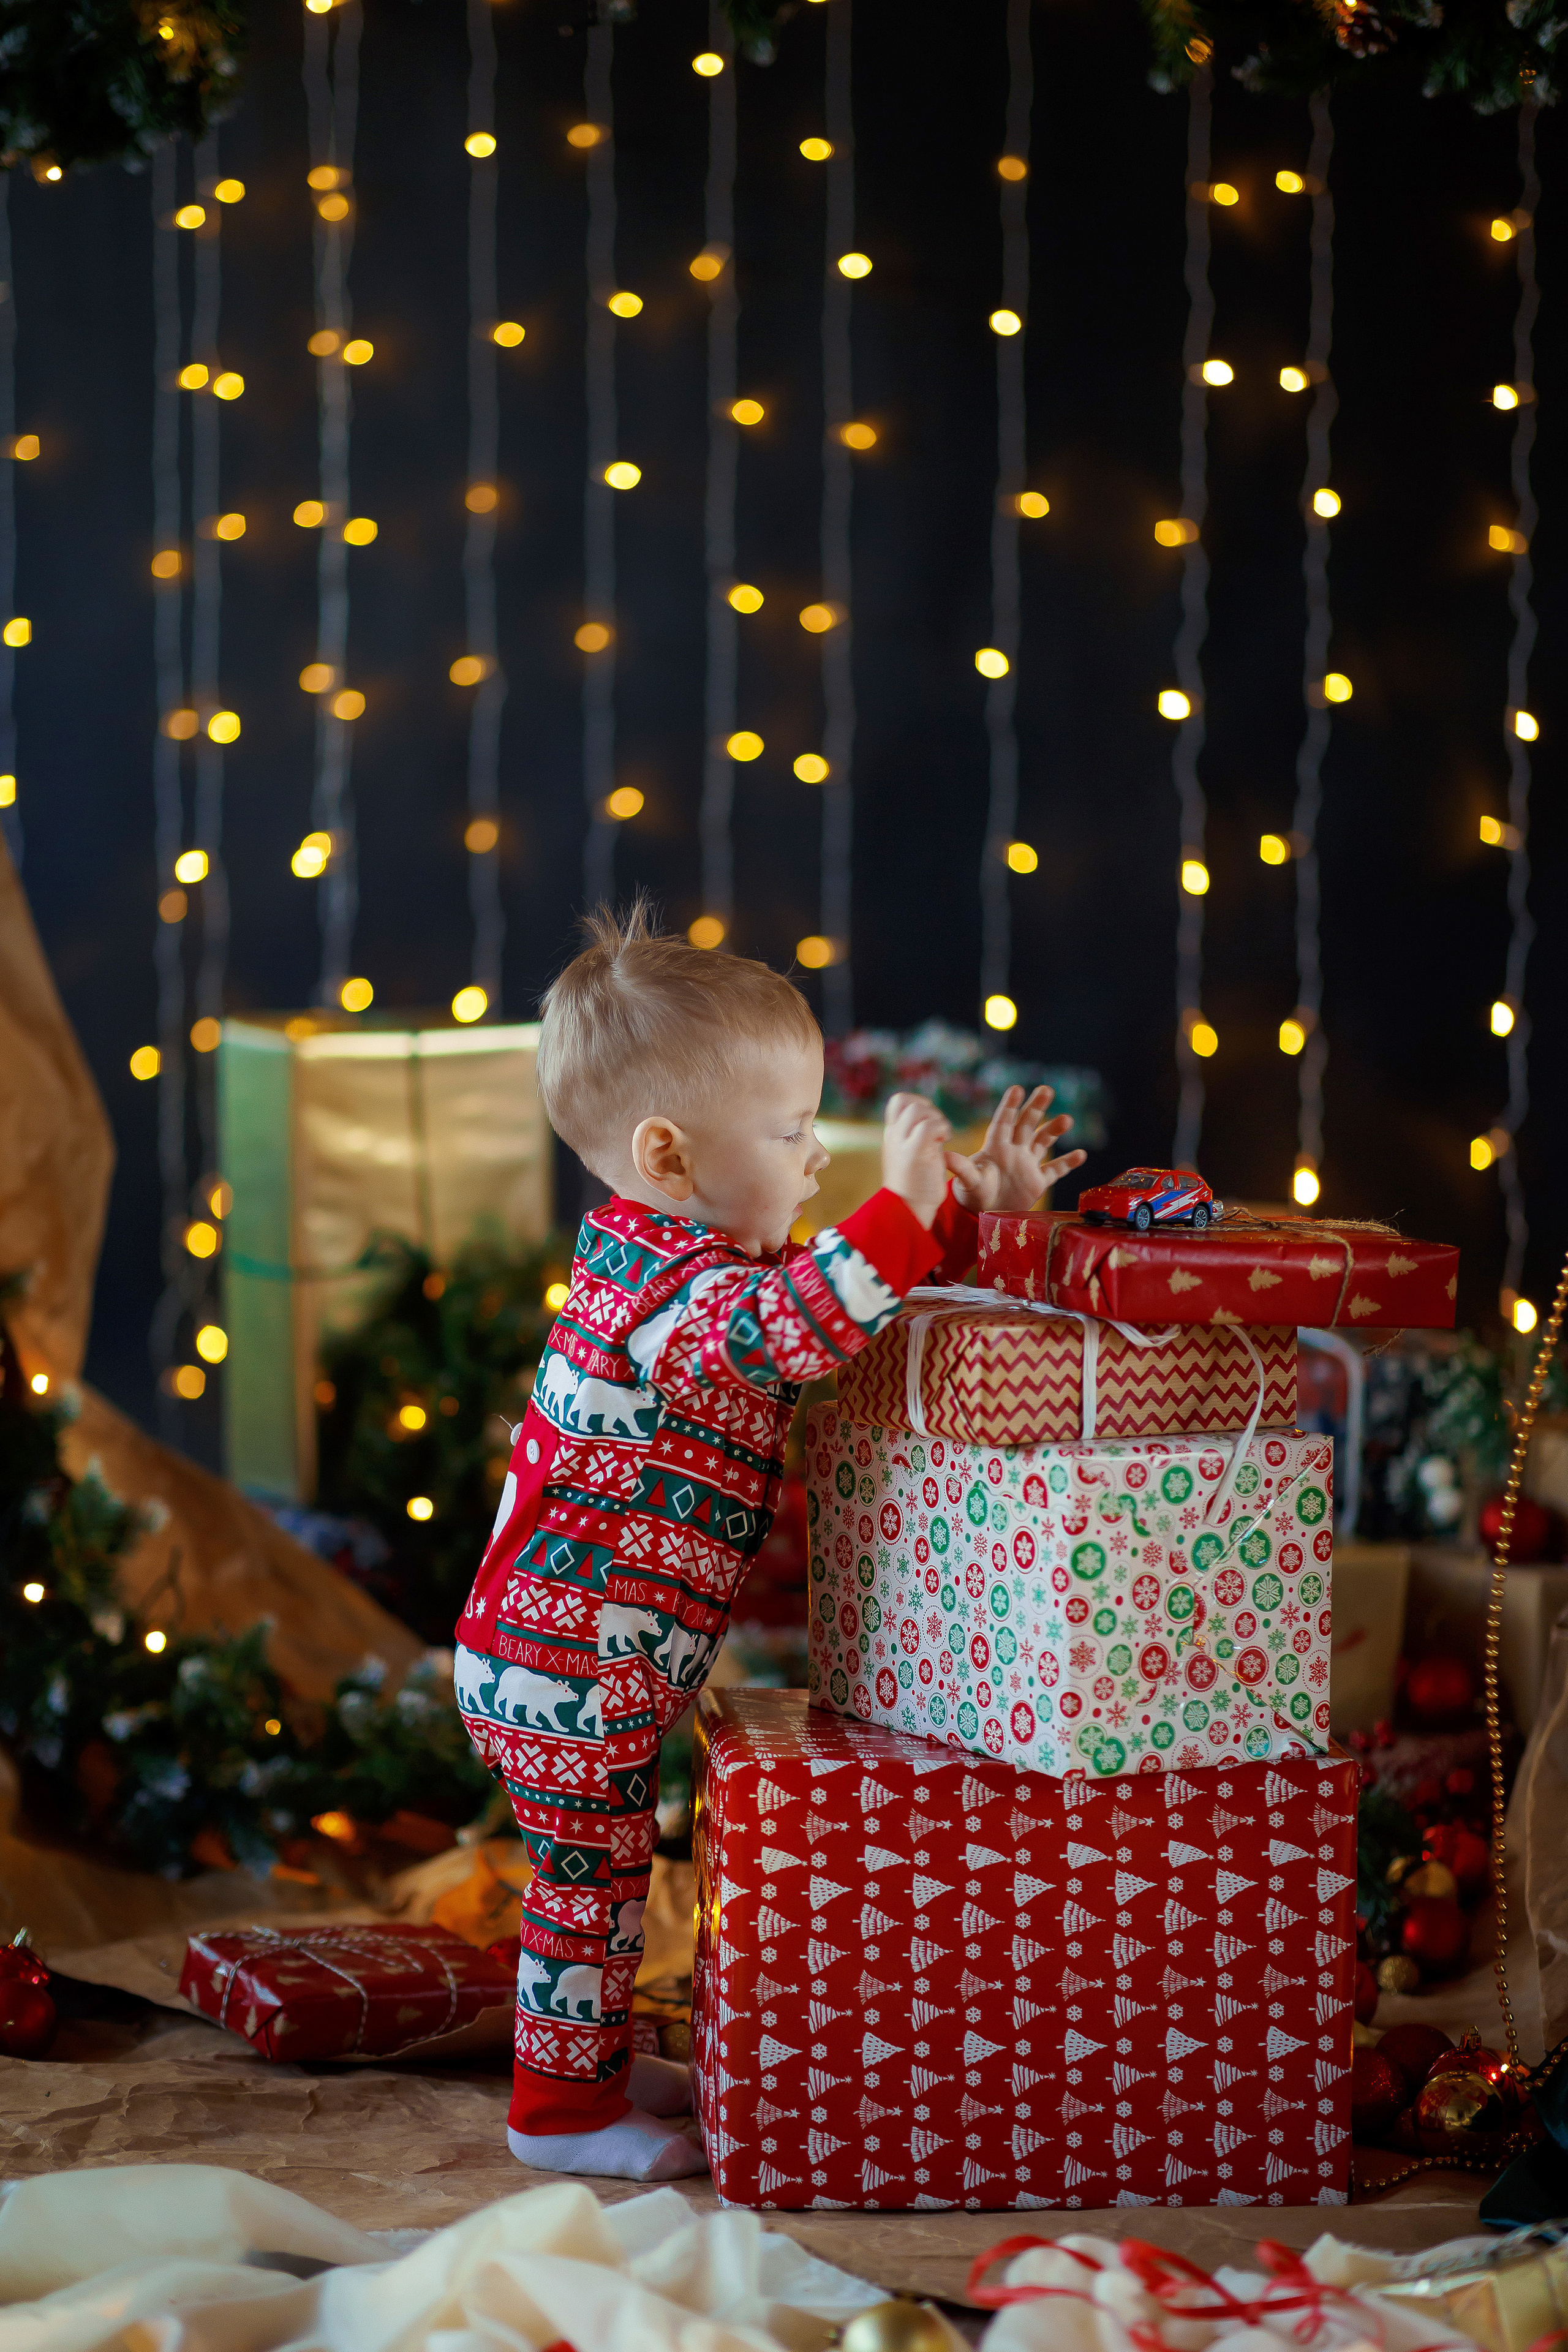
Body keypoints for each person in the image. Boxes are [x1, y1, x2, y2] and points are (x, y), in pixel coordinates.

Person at [454, 902, 1085, 2182]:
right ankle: (557, 2118)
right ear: (667, 1157)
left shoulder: (698, 1252)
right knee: (591, 1880)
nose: (811, 1165)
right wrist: (898, 1204)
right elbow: (786, 1330)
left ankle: (576, 2058)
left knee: (603, 1880)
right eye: (793, 1134)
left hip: (592, 1660)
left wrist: (972, 1216)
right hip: (560, 1665)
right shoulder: (659, 1291)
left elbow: (830, 1295)